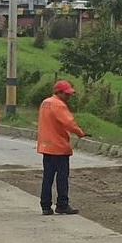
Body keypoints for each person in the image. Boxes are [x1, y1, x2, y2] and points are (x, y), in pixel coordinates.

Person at [37, 80, 87, 215]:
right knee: (62, 177)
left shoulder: (45, 103)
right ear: (58, 92)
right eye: (66, 94)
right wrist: (80, 133)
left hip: (46, 146)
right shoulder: (58, 105)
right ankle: (62, 204)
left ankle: (45, 206)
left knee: (47, 177)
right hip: (59, 147)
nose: (68, 97)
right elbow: (69, 122)